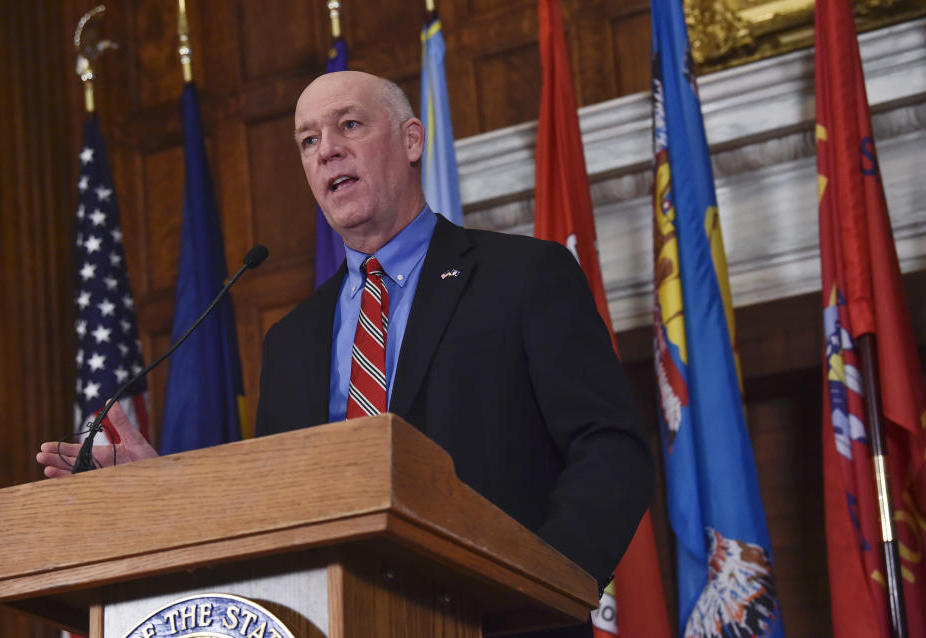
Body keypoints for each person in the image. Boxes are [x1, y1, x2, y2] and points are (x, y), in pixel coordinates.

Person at [38, 71, 653, 638]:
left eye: (349, 125)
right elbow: (275, 513)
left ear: (412, 140)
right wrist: (161, 490)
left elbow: (610, 449)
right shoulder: (292, 341)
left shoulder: (523, 277)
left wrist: (536, 589)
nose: (326, 149)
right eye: (308, 140)